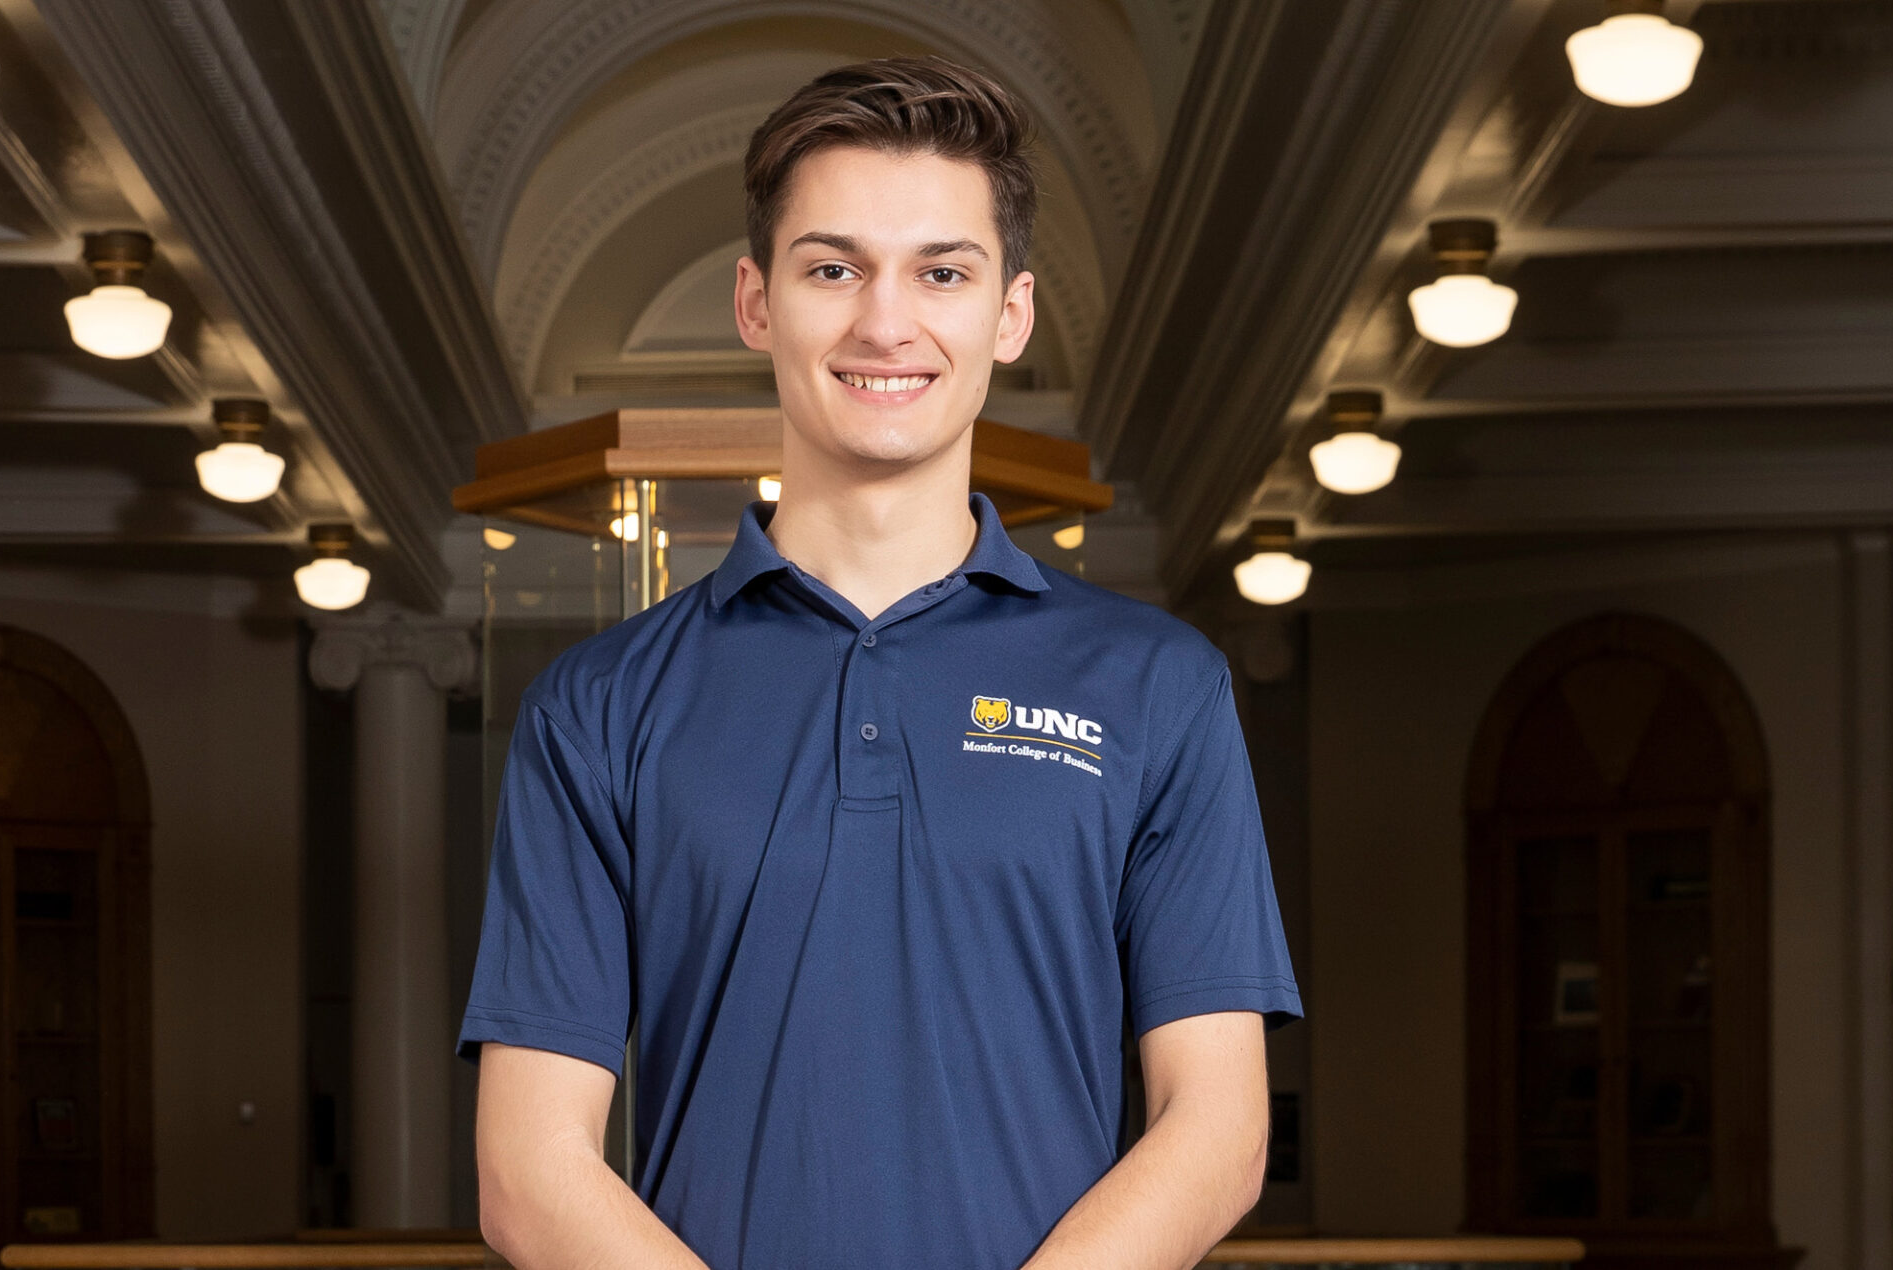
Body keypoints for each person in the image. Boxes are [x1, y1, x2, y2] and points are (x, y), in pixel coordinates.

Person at [458, 56, 1304, 1269]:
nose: (885, 322)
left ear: (1008, 311)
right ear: (757, 301)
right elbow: (527, 1171)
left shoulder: (1158, 687)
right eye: (832, 267)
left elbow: (1216, 1124)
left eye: (942, 272)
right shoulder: (596, 709)